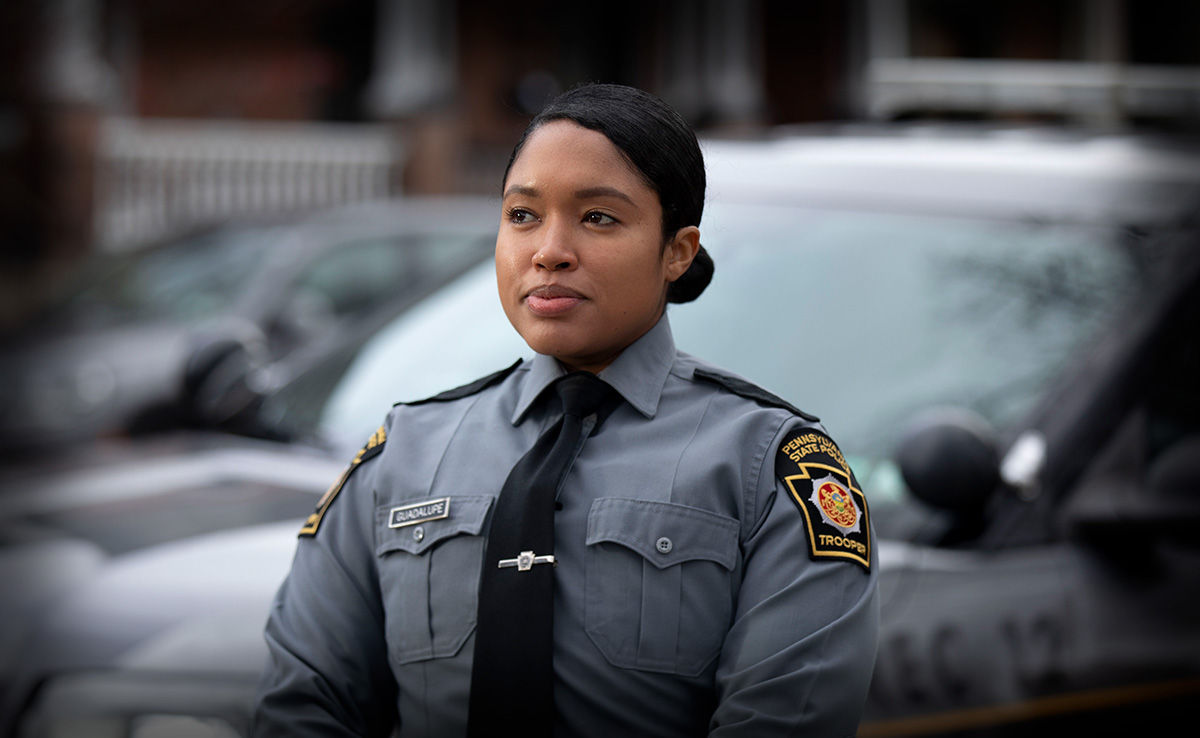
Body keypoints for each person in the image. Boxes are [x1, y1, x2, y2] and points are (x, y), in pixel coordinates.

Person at [253, 83, 879, 737]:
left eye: (598, 218)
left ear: (678, 250)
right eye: (523, 215)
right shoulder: (406, 452)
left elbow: (786, 718)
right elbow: (304, 703)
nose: (549, 250)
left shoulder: (773, 468)